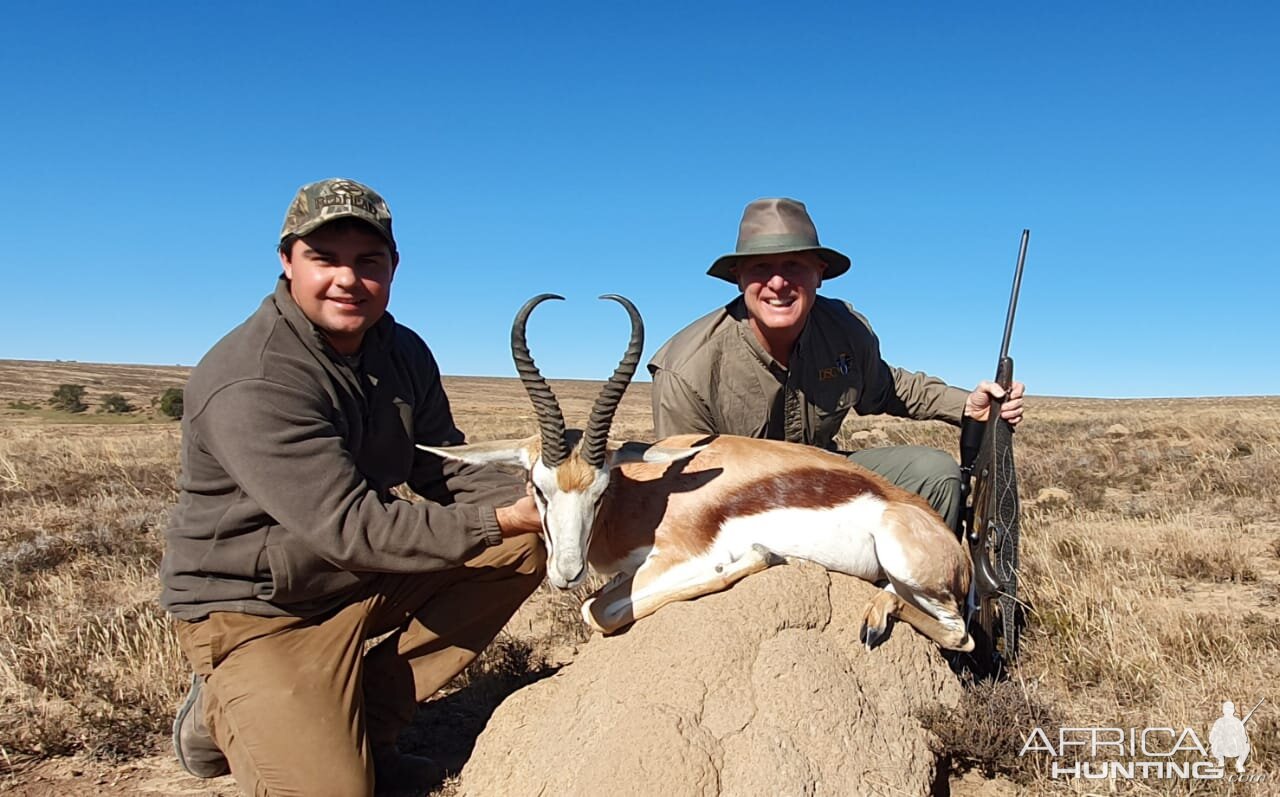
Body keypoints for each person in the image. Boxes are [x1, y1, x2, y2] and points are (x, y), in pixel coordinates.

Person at [160, 178, 545, 796]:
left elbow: (441, 466)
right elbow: (351, 528)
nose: (348, 279)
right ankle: (221, 706)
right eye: (325, 258)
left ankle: (370, 724)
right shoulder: (254, 376)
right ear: (287, 263)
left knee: (528, 546)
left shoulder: (402, 350)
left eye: (368, 261)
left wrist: (553, 499)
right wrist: (504, 518)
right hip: (260, 609)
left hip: (358, 577)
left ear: (393, 267)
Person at [648, 197, 1025, 530]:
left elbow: (888, 388)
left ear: (820, 274)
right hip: (740, 507)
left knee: (935, 474)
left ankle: (917, 597)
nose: (778, 283)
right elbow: (686, 490)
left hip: (824, 477)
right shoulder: (686, 369)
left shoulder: (845, 329)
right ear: (739, 278)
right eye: (761, 267)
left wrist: (965, 405)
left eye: (794, 265)